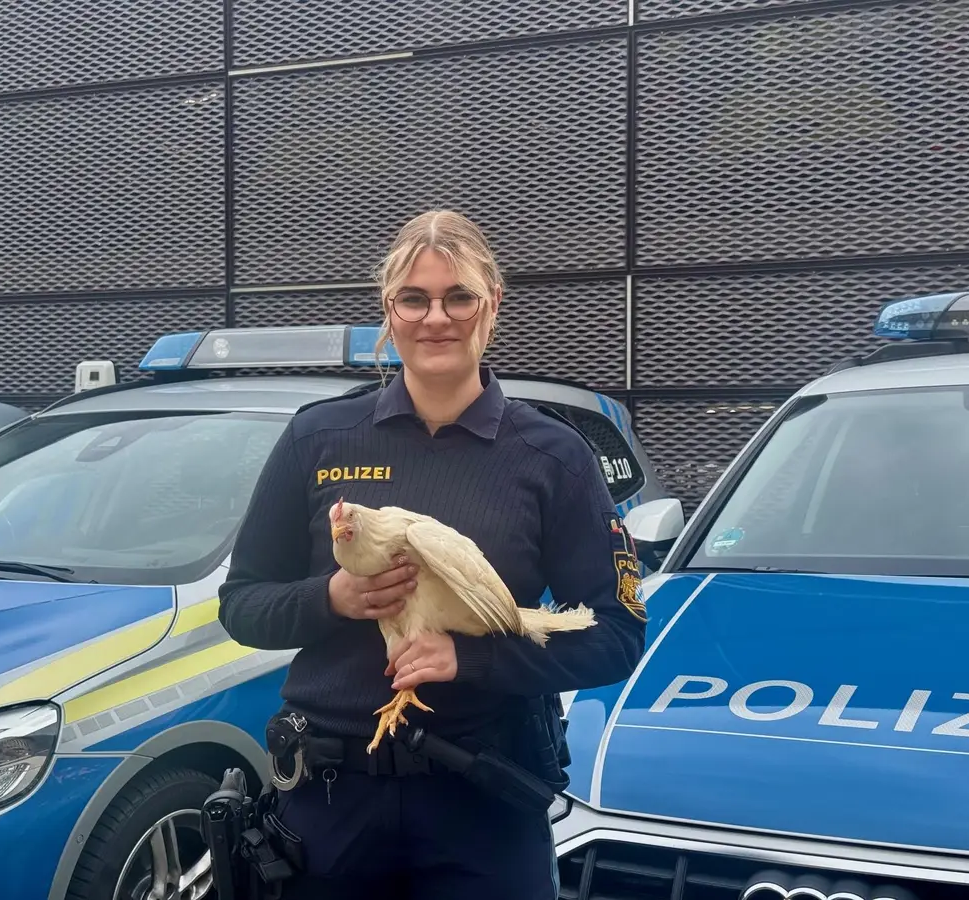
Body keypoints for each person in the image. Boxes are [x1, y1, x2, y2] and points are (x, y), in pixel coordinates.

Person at [218, 209, 648, 899]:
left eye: (459, 297)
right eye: (413, 299)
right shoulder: (319, 438)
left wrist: (469, 660)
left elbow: (618, 636)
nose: (435, 318)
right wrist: (332, 598)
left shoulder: (551, 457)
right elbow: (242, 606)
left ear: (493, 304)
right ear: (389, 310)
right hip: (330, 802)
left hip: (483, 804)